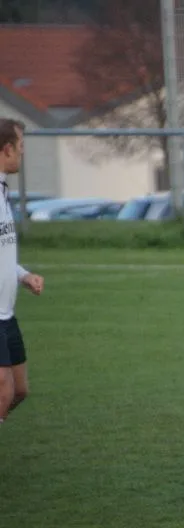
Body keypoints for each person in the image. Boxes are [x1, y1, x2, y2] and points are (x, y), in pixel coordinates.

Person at [0, 118, 44, 427]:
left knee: (19, 390)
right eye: (21, 146)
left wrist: (23, 275)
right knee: (3, 389)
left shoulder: (3, 191)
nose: (23, 152)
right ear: (7, 149)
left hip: (7, 313)